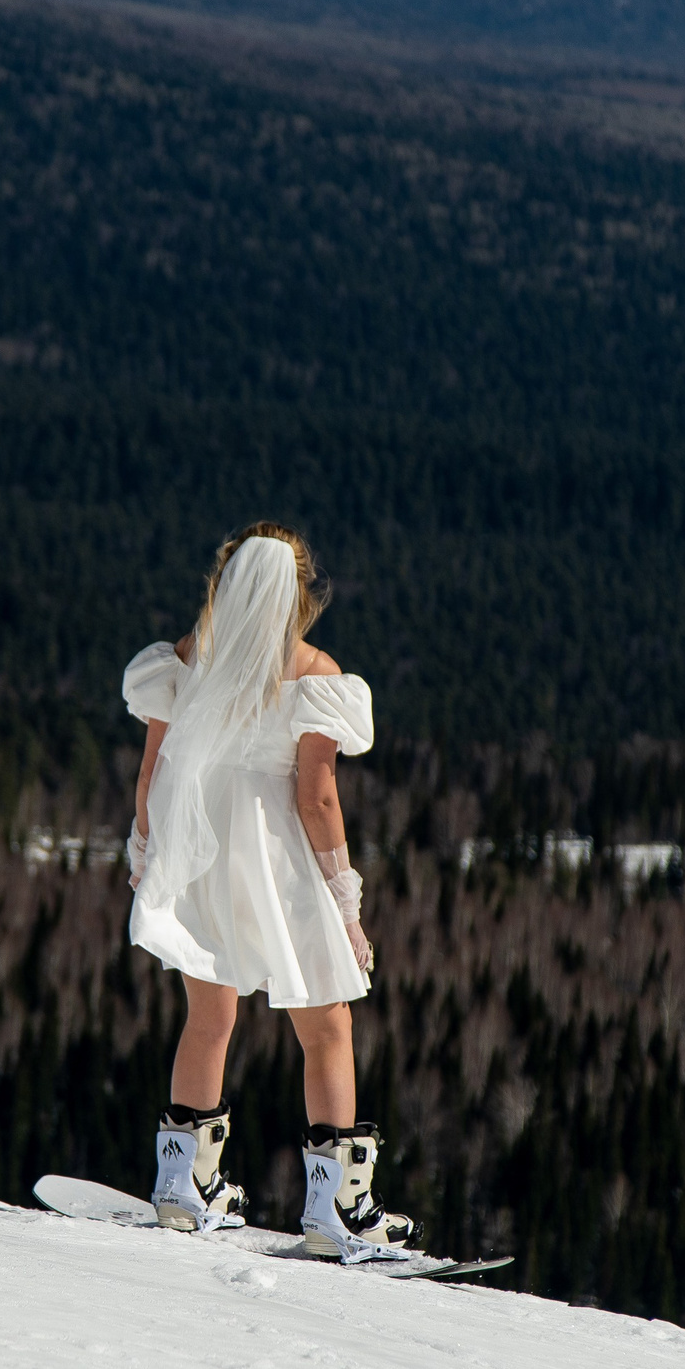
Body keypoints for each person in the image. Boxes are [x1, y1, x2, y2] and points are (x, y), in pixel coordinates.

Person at [120, 521, 418, 1264]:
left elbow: (152, 771)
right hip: (276, 866)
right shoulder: (315, 673)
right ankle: (337, 1208)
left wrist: (147, 851)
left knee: (209, 1015)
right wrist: (344, 899)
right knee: (328, 1026)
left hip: (202, 856)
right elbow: (316, 797)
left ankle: (183, 1186)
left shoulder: (189, 658)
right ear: (297, 590)